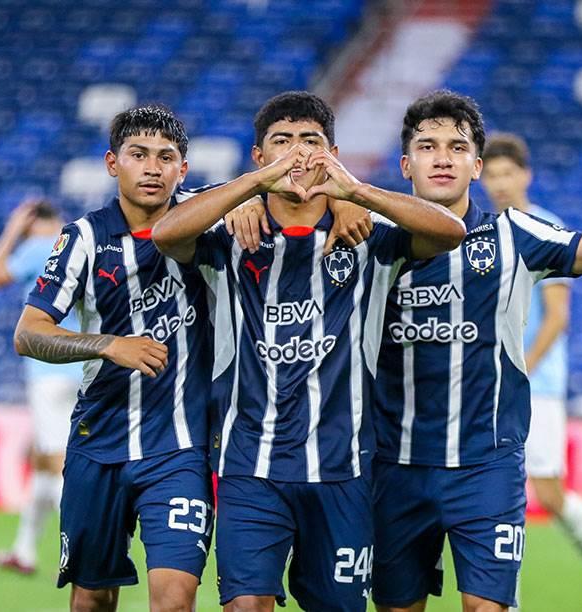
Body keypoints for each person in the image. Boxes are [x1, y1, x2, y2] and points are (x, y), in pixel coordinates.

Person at [288, 90, 582, 612]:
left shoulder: (516, 235)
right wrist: (326, 200)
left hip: (486, 465)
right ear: (405, 164)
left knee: (486, 607)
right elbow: (270, 216)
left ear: (476, 167)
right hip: (393, 466)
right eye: (427, 146)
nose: (442, 157)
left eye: (457, 147)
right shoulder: (365, 235)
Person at [152, 91, 466, 612]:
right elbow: (165, 233)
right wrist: (252, 189)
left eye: (311, 142)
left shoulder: (367, 235)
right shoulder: (231, 233)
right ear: (258, 156)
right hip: (250, 466)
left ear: (333, 153)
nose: (297, 154)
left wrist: (355, 191)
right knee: (246, 606)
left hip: (341, 470)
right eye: (281, 143)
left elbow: (450, 231)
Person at [13, 105, 214, 612]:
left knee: (175, 599)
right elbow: (29, 333)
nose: (152, 168)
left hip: (179, 447)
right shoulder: (82, 238)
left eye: (166, 157)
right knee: (93, 599)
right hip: (99, 442)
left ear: (183, 169)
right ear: (112, 163)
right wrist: (107, 343)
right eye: (138, 155)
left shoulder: (210, 220)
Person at [482, 133, 582, 612]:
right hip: (486, 384)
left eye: (508, 174)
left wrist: (519, 370)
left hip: (534, 385)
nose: (499, 184)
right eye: (492, 174)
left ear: (526, 175)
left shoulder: (545, 226)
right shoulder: (479, 229)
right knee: (493, 495)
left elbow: (557, 317)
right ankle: (506, 599)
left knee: (549, 494)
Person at [0, 199, 84, 576]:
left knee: (54, 462)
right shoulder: (77, 247)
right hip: (81, 364)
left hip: (47, 370)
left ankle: (78, 549)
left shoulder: (37, 249)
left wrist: (11, 232)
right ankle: (24, 549)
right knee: (44, 462)